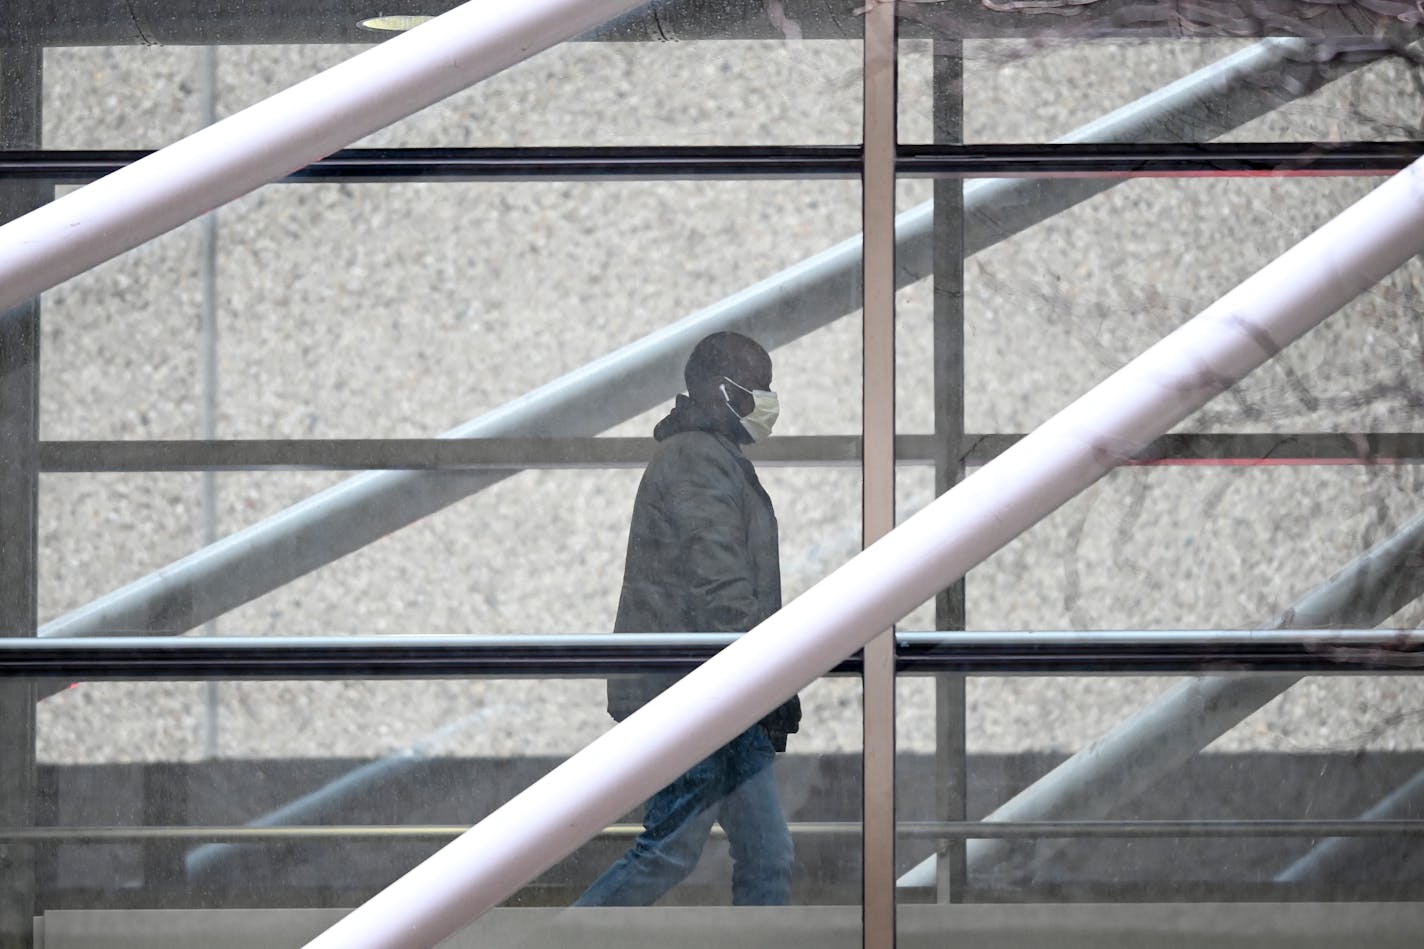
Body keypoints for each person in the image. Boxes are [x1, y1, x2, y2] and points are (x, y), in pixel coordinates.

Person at [576, 331, 801, 907]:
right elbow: (720, 584)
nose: (766, 401)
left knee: (766, 857)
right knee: (673, 848)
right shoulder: (697, 459)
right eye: (755, 389)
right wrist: (771, 673)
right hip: (697, 692)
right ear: (713, 390)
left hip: (722, 690)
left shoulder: (713, 458)